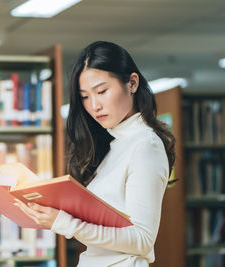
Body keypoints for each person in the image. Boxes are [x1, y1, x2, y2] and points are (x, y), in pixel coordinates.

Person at [14, 41, 175, 266]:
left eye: (102, 91)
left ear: (132, 83)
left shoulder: (145, 146)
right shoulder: (115, 145)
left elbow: (142, 240)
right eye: (85, 97)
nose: (94, 105)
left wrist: (66, 223)